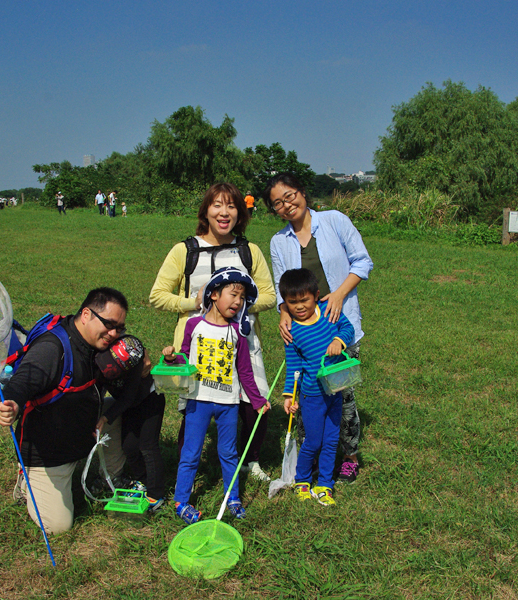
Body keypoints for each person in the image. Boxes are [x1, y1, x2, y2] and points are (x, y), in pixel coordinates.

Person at [149, 183, 276, 481]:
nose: (224, 212)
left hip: (242, 339)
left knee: (255, 403)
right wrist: (193, 302)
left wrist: (241, 307)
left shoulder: (249, 251)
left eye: (231, 206)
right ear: (206, 211)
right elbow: (157, 295)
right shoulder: (185, 250)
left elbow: (269, 295)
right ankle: (186, 467)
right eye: (217, 205)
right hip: (197, 340)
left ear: (240, 214)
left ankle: (250, 461)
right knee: (194, 406)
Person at [0, 288, 132, 534]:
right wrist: (13, 403)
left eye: (119, 328)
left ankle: (110, 476)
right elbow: (23, 380)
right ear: (87, 314)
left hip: (80, 434)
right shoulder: (52, 348)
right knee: (58, 526)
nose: (114, 334)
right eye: (109, 324)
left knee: (114, 410)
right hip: (48, 455)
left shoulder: (100, 344)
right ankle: (27, 480)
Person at [265, 172, 373, 484]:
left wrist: (338, 294)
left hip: (337, 322)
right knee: (307, 392)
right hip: (303, 329)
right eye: (277, 204)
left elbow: (362, 262)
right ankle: (308, 460)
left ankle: (349, 456)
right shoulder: (278, 241)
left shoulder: (334, 221)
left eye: (289, 196)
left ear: (301, 192)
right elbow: (279, 285)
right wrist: (283, 312)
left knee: (343, 394)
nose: (286, 205)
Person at [162, 268, 271, 524]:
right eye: (233, 294)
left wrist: (257, 401)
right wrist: (172, 357)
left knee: (229, 453)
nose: (237, 302)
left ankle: (232, 497)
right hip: (198, 401)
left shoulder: (238, 334)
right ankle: (181, 501)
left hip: (228, 404)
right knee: (190, 452)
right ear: (213, 295)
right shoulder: (194, 325)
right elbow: (185, 357)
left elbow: (244, 371)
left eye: (242, 298)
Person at [279, 268, 354, 506]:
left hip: (336, 389)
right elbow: (293, 367)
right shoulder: (292, 331)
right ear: (286, 304)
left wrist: (338, 341)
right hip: (312, 395)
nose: (300, 306)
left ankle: (325, 484)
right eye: (293, 303)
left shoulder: (329, 314)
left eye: (305, 300)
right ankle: (302, 479)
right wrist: (290, 395)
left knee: (332, 440)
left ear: (316, 295)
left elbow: (348, 329)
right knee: (313, 441)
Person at [95, 335, 167, 512]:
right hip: (129, 404)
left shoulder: (134, 365)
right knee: (129, 446)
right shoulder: (101, 356)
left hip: (150, 398)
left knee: (147, 446)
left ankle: (156, 494)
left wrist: (106, 418)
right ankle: (143, 481)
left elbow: (128, 397)